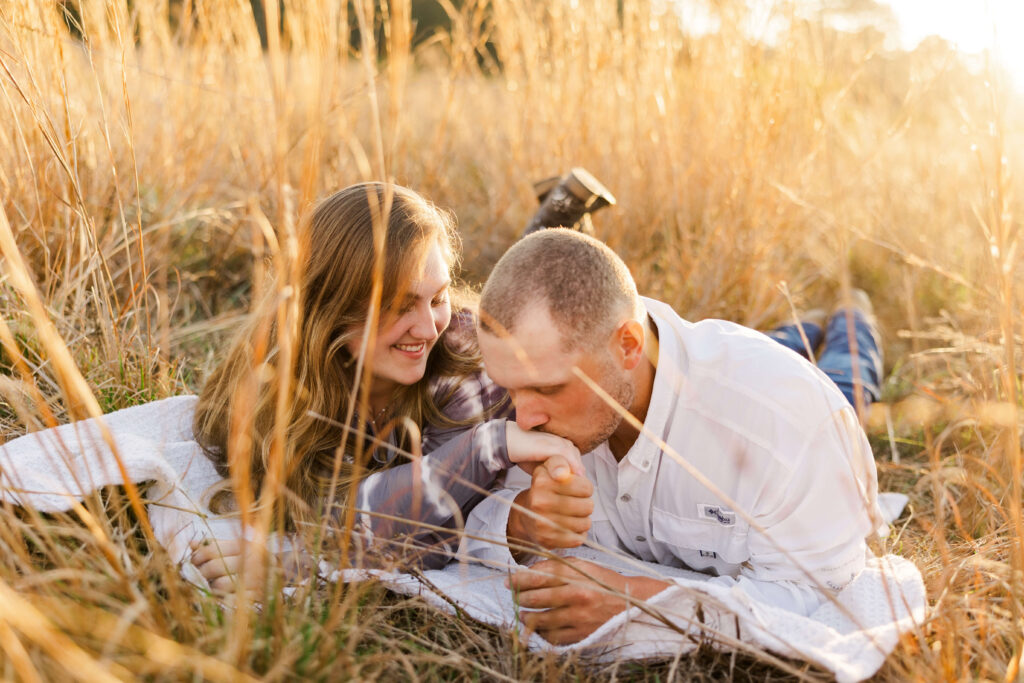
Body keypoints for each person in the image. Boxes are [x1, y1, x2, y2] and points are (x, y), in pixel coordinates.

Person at [461, 229, 885, 645]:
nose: (525, 418)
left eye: (549, 390)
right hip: (728, 370)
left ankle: (853, 315)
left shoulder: (792, 426)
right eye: (509, 390)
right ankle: (801, 326)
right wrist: (525, 520)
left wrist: (636, 602)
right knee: (779, 349)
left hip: (796, 399)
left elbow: (824, 597)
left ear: (628, 346)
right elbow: (480, 516)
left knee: (848, 376)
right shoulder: (540, 369)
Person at [190, 183, 582, 589]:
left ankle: (560, 219)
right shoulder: (276, 369)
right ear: (332, 304)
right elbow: (314, 505)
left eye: (437, 297)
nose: (428, 329)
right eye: (399, 304)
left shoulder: (466, 362)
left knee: (539, 287)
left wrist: (490, 444)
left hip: (544, 316)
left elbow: (435, 539)